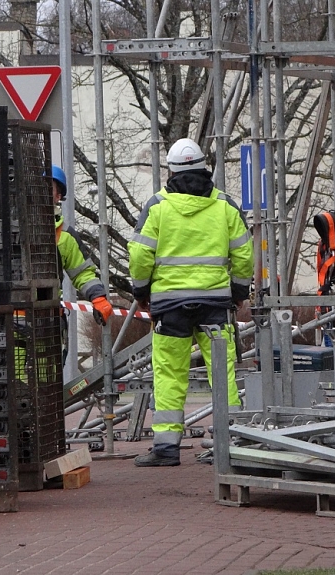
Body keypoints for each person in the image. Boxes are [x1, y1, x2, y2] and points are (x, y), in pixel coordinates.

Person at [128, 138, 254, 467]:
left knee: (170, 373)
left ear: (170, 170)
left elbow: (140, 255)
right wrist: (238, 293)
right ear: (204, 167)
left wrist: (141, 291)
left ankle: (167, 447)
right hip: (214, 302)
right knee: (222, 372)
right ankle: (229, 442)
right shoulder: (226, 206)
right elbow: (243, 254)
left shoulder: (157, 207)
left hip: (169, 306)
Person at [50, 165, 113, 330]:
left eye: (48, 188)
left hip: (47, 322)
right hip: (8, 320)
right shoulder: (9, 227)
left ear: (58, 196)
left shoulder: (64, 236)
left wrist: (98, 297)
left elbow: (82, 273)